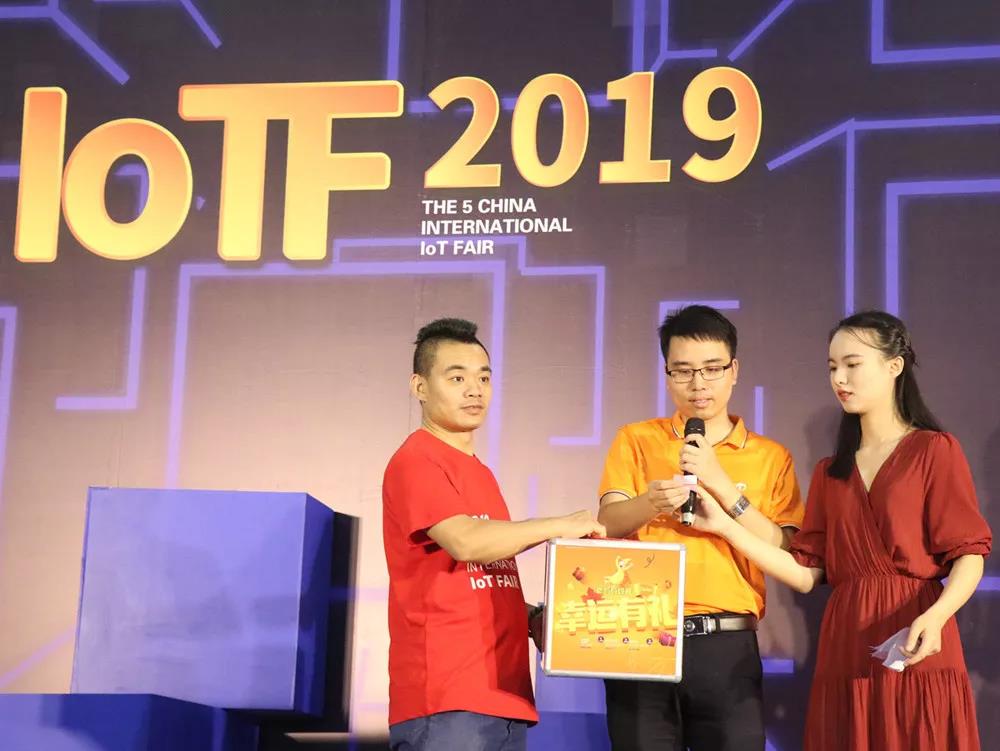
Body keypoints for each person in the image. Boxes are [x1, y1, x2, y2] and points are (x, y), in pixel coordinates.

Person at [687, 310, 992, 751]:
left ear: (894, 365)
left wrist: (936, 616)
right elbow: (804, 573)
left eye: (852, 364)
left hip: (914, 636)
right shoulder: (831, 472)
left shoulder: (933, 450)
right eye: (832, 367)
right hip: (845, 643)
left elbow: (969, 553)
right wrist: (724, 526)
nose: (839, 378)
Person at [382, 317, 606, 751]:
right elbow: (467, 542)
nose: (474, 390)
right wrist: (562, 525)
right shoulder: (416, 460)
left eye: (483, 378)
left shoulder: (480, 473)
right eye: (457, 378)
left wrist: (532, 618)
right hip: (445, 699)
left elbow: (481, 581)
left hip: (503, 697)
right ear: (419, 386)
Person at [597, 305, 805, 750]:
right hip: (642, 634)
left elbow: (784, 547)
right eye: (683, 371)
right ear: (667, 374)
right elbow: (607, 523)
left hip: (726, 642)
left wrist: (722, 484)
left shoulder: (771, 456)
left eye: (712, 369)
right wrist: (652, 501)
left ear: (734, 371)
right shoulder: (636, 439)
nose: (698, 384)